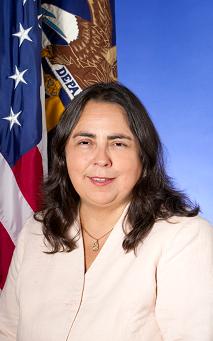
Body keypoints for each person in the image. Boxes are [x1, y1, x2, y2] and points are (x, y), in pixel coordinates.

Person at [0, 82, 212, 341]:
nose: (101, 159)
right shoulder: (37, 232)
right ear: (63, 154)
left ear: (143, 156)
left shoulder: (184, 239)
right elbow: (7, 333)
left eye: (119, 143)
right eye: (85, 142)